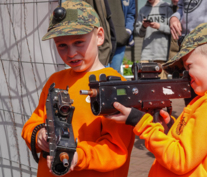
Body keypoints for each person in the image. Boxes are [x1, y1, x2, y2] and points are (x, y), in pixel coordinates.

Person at [106, 22, 207, 176]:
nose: (186, 73)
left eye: (189, 66)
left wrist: (139, 121)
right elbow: (191, 149)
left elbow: (180, 159)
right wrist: (170, 128)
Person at [21, 1, 135, 177]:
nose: (71, 53)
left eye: (79, 42)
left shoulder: (116, 86)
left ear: (99, 36)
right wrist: (39, 135)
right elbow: (32, 124)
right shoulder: (54, 81)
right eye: (62, 45)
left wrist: (77, 156)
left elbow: (115, 149)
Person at [135, 0, 173, 79]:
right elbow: (139, 34)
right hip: (146, 54)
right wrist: (144, 26)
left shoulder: (167, 7)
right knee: (145, 85)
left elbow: (173, 30)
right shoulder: (142, 10)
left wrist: (159, 26)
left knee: (162, 87)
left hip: (162, 55)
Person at [107, 0, 136, 73]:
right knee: (102, 73)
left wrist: (128, 31)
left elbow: (131, 14)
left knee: (115, 74)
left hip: (120, 39)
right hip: (102, 40)